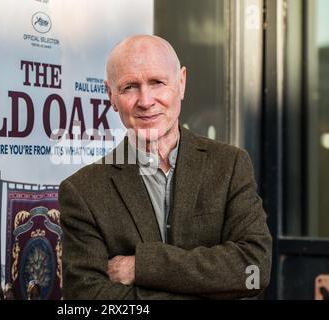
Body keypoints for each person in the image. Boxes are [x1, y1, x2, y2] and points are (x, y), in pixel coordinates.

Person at [59, 35, 272, 299]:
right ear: (111, 96)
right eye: (129, 87)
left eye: (157, 82)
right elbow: (87, 297)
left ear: (181, 83)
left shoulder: (230, 166)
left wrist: (143, 267)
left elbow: (253, 270)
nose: (146, 101)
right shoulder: (82, 191)